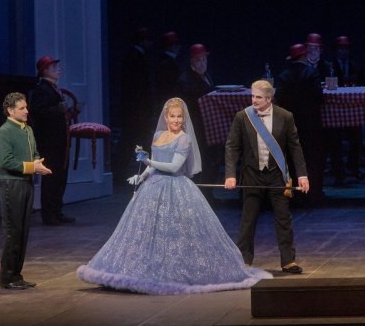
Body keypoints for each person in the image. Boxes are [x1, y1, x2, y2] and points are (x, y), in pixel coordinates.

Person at [77, 98, 272, 294]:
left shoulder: (184, 139)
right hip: (152, 188)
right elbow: (153, 167)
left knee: (179, 234)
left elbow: (173, 167)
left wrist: (149, 162)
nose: (176, 120)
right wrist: (141, 176)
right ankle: (142, 272)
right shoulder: (158, 136)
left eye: (180, 116)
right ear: (166, 117)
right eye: (173, 116)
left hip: (177, 187)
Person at [224, 80, 310, 274]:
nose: (254, 100)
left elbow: (295, 148)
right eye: (252, 96)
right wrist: (230, 174)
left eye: (259, 97)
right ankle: (244, 260)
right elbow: (232, 147)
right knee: (248, 219)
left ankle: (288, 261)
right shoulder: (242, 117)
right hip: (252, 175)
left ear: (269, 98)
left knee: (283, 218)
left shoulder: (285, 116)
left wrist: (302, 175)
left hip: (276, 175)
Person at [0, 92, 52, 289]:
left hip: (26, 183)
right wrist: (32, 167)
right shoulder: (4, 132)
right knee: (13, 231)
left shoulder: (27, 130)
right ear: (10, 111)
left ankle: (17, 275)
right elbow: (6, 161)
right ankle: (7, 278)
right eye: (22, 108)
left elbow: (33, 151)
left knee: (23, 231)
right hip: (12, 184)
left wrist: (37, 163)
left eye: (26, 107)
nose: (27, 111)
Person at [28, 56, 76, 226]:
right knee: (51, 176)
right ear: (44, 71)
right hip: (49, 140)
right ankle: (49, 214)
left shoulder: (54, 89)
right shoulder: (42, 90)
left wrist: (68, 111)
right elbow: (38, 112)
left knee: (60, 176)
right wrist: (58, 109)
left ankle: (57, 210)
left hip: (59, 138)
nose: (58, 69)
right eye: (54, 67)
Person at [277, 44, 325, 204]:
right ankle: (312, 193)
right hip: (310, 124)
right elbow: (319, 97)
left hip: (291, 124)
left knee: (292, 158)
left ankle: (294, 193)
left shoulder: (284, 75)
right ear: (304, 57)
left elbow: (279, 99)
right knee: (311, 158)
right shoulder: (312, 73)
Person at [175, 44, 219, 191]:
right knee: (200, 162)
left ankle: (208, 194)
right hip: (196, 126)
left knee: (210, 160)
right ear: (192, 61)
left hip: (208, 126)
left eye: (205, 60)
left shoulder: (206, 75)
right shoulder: (186, 80)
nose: (203, 64)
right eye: (199, 60)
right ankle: (201, 195)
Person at [116, 27, 154, 182]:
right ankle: (120, 171)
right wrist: (145, 108)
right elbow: (138, 87)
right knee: (130, 140)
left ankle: (127, 171)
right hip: (135, 110)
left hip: (134, 109)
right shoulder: (135, 57)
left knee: (132, 140)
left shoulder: (135, 56)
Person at [328, 35, 365, 185]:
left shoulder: (356, 66)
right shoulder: (329, 66)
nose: (343, 51)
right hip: (334, 110)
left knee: (356, 137)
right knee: (335, 140)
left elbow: (363, 85)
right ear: (336, 50)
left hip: (352, 109)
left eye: (346, 48)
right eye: (340, 49)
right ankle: (338, 172)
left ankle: (353, 167)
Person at [154, 31, 181, 115]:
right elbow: (168, 87)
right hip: (169, 104)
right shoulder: (166, 63)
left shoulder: (165, 60)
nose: (179, 47)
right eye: (176, 44)